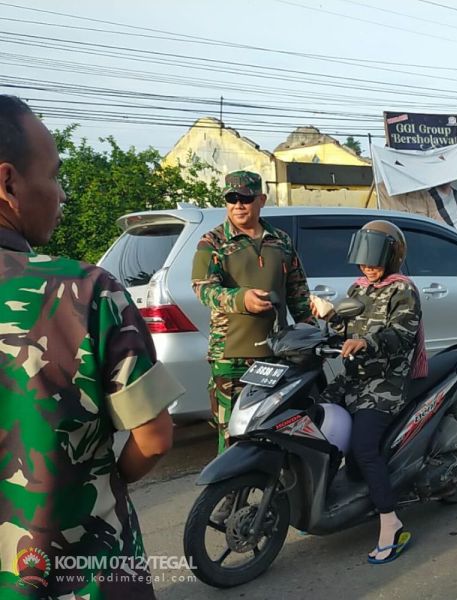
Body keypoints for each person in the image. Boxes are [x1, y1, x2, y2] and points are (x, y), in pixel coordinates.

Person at [0, 95, 182, 598]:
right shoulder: (83, 291)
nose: (61, 195)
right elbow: (154, 438)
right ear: (8, 182)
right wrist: (104, 483)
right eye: (55, 175)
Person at [311, 220, 426, 565]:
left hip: (386, 382)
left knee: (363, 447)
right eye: (363, 262)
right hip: (354, 377)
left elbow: (400, 335)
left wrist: (366, 342)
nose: (368, 268)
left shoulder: (402, 290)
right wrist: (330, 315)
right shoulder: (358, 288)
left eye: (374, 262)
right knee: (310, 422)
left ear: (391, 258)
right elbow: (346, 326)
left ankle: (391, 522)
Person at [191, 170, 313, 458]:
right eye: (231, 198)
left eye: (245, 198)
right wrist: (240, 299)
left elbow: (297, 290)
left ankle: (276, 496)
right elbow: (203, 289)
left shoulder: (280, 241)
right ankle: (229, 499)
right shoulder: (213, 243)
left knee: (272, 430)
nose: (238, 205)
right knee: (232, 435)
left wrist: (309, 329)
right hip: (230, 355)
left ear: (261, 200)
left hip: (274, 355)